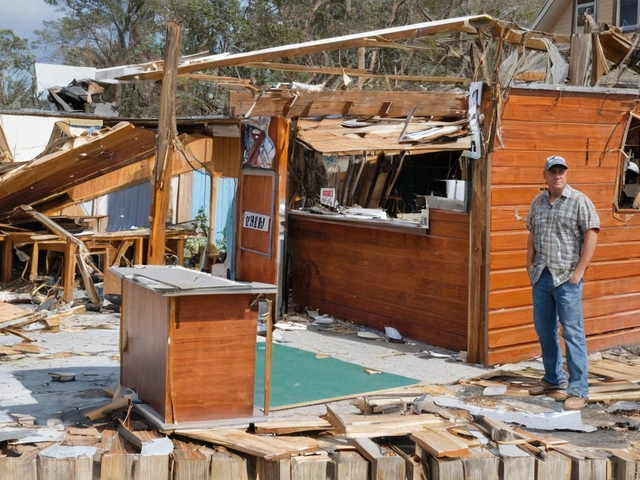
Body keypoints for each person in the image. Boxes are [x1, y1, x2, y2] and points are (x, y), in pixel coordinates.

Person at [526, 155, 600, 411]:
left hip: (567, 277)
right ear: (545, 175)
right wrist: (529, 265)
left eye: (561, 171)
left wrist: (579, 272)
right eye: (552, 171)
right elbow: (532, 234)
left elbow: (591, 235)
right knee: (545, 330)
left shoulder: (579, 201)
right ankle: (552, 378)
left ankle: (579, 389)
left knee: (572, 333)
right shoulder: (538, 202)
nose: (557, 175)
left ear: (566, 174)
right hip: (542, 275)